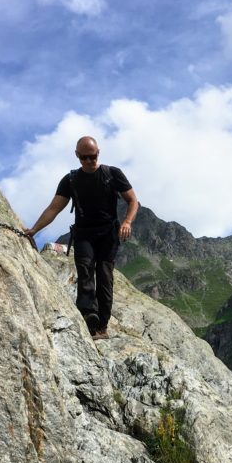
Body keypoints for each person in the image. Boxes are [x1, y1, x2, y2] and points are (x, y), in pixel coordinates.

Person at [25, 136, 139, 339]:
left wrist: (127, 222)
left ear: (98, 153)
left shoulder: (112, 174)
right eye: (84, 157)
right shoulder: (70, 180)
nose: (89, 161)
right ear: (77, 156)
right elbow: (54, 208)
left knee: (105, 276)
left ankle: (102, 326)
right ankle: (89, 316)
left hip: (108, 235)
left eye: (92, 157)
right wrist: (34, 230)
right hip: (84, 234)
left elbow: (132, 200)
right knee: (85, 271)